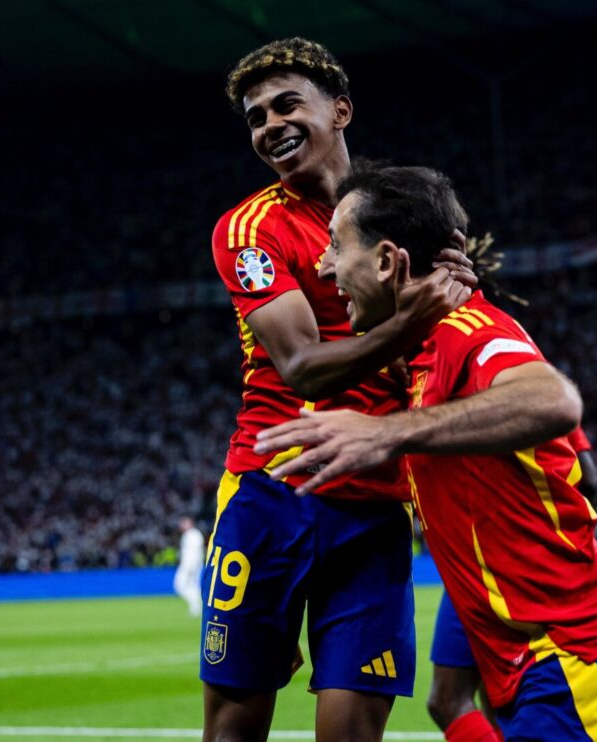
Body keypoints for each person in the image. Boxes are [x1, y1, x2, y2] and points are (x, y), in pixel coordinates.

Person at [257, 164, 597, 741]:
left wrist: (387, 433)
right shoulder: (421, 352)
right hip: (526, 650)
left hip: (579, 656)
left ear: (386, 261)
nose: (324, 266)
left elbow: (553, 400)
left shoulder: (468, 330)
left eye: (335, 246)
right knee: (448, 700)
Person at [205, 38, 473, 742]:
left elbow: (458, 314)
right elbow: (300, 365)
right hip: (271, 493)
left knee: (352, 733)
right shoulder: (249, 228)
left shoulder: (398, 214)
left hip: (376, 506)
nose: (270, 124)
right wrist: (412, 320)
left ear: (341, 110)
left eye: (287, 104)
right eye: (257, 116)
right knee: (235, 723)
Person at [426, 427, 597, 741]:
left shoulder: (524, 391)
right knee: (459, 699)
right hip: (480, 564)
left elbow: (588, 477)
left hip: (501, 562)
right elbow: (589, 479)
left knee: (467, 697)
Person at [174, 517, 205, 617]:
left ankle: (196, 605)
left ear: (190, 523)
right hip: (192, 565)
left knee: (179, 585)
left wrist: (190, 567)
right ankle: (196, 606)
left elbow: (194, 553)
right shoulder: (192, 535)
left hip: (189, 565)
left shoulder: (193, 535)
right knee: (192, 586)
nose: (181, 526)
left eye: (184, 523)